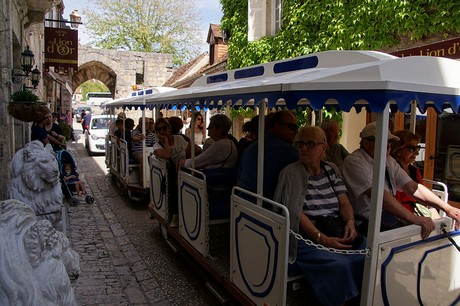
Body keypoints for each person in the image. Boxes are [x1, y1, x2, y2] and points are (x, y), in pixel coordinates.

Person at [274, 126, 365, 306]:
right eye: (300, 144)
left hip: (334, 226)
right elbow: (295, 213)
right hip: (304, 235)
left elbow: (344, 202)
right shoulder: (290, 173)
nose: (304, 148)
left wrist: (350, 223)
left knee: (369, 254)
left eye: (310, 144)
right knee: (340, 265)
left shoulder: (331, 169)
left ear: (323, 148)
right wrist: (322, 238)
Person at [341, 122, 460, 239]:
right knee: (411, 238)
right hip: (365, 220)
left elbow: (413, 187)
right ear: (366, 144)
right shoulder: (354, 162)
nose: (388, 146)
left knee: (421, 235)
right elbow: (379, 196)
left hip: (386, 216)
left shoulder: (388, 160)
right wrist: (415, 219)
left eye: (389, 142)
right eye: (383, 141)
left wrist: (447, 208)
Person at [238, 110, 299, 199]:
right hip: (270, 208)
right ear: (278, 126)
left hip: (245, 204)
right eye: (292, 127)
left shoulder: (251, 148)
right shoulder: (289, 151)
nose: (296, 132)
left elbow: (239, 181)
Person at [153, 118, 200, 227]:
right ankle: (175, 214)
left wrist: (188, 162)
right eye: (158, 129)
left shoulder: (180, 139)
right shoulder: (157, 145)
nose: (162, 131)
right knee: (173, 179)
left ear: (169, 128)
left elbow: (194, 150)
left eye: (164, 128)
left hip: (184, 170)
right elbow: (166, 155)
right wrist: (165, 140)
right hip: (170, 174)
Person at [390, 130, 441, 218]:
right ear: (398, 150)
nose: (416, 153)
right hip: (401, 217)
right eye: (411, 149)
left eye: (417, 148)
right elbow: (394, 204)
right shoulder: (390, 171)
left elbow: (423, 197)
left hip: (418, 211)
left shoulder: (414, 171)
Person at [131, 117, 156, 185]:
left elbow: (154, 145)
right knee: (143, 158)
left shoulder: (151, 135)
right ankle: (143, 179)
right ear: (140, 124)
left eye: (149, 123)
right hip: (137, 152)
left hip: (148, 152)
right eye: (146, 123)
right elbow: (134, 138)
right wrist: (139, 138)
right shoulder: (135, 132)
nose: (147, 125)